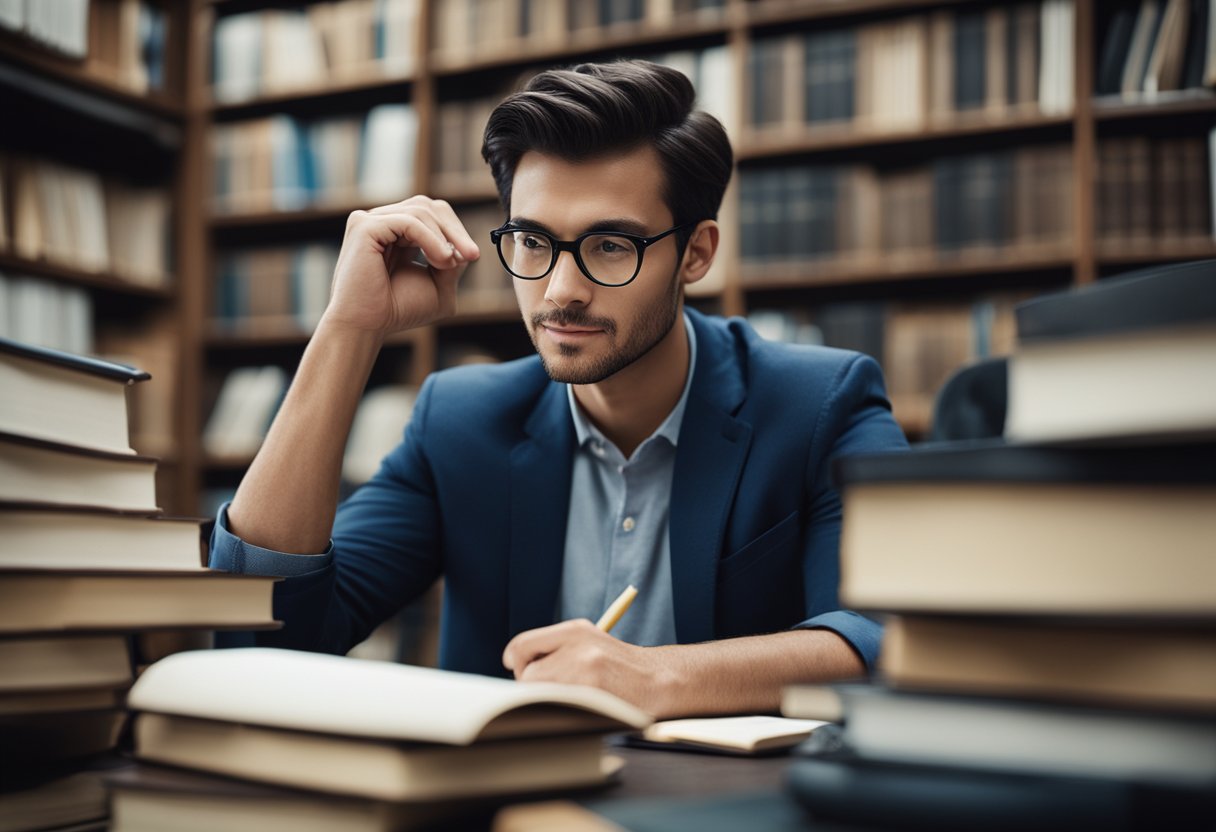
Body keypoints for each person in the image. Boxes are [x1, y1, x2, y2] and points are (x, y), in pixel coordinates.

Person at [209, 60, 908, 718]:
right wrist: (348, 329)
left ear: (695, 254)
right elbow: (266, 638)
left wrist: (654, 676)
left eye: (611, 246)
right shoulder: (460, 421)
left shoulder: (821, 403)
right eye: (533, 242)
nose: (561, 292)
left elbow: (893, 640)